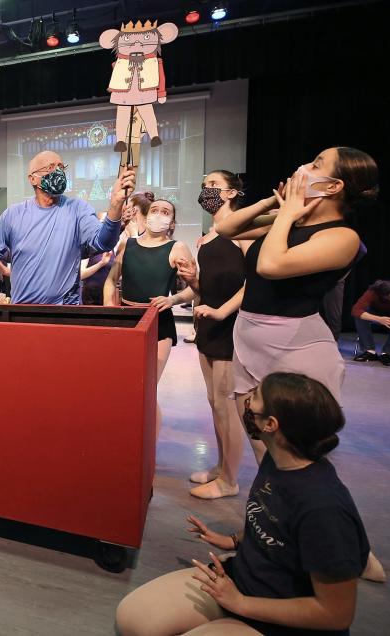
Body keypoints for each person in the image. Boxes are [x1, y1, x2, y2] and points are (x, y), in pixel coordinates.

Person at [116, 373, 369, 636]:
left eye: (254, 398)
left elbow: (336, 614)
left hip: (281, 618)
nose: (246, 403)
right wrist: (235, 540)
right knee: (132, 620)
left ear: (271, 424)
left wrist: (243, 604)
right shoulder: (279, 459)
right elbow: (273, 521)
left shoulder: (324, 510)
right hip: (241, 581)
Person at [214, 147, 378, 409]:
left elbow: (270, 265)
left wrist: (287, 215)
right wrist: (273, 203)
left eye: (316, 164)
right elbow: (226, 228)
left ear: (333, 186)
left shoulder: (342, 237)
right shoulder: (288, 221)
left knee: (292, 444)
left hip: (294, 345)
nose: (303, 167)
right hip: (248, 337)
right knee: (259, 439)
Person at [0, 151, 133, 304]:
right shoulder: (13, 215)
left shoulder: (78, 210)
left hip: (65, 316)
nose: (58, 172)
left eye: (62, 167)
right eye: (50, 167)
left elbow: (104, 243)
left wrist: (116, 205)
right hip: (24, 316)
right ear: (33, 179)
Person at [178, 170, 250, 499]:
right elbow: (201, 289)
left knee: (226, 405)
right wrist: (192, 278)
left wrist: (223, 311)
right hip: (207, 324)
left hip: (231, 326)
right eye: (203, 184)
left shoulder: (244, 230)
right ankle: (222, 467)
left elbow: (257, 280)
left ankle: (230, 480)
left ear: (232, 193)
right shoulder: (206, 238)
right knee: (214, 403)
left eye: (213, 185)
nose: (205, 190)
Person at [104, 198, 195, 439]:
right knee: (126, 388)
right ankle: (127, 441)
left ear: (172, 221)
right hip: (127, 321)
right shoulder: (129, 245)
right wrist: (108, 310)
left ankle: (148, 450)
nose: (159, 214)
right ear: (146, 215)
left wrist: (173, 300)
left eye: (165, 212)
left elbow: (196, 287)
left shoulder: (178, 248)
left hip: (158, 323)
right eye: (155, 210)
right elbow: (111, 280)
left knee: (147, 389)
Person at [351, 279, 390, 365]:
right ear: (387, 298)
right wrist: (379, 319)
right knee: (361, 315)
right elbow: (356, 310)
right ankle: (370, 351)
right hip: (379, 311)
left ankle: (387, 353)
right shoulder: (373, 293)